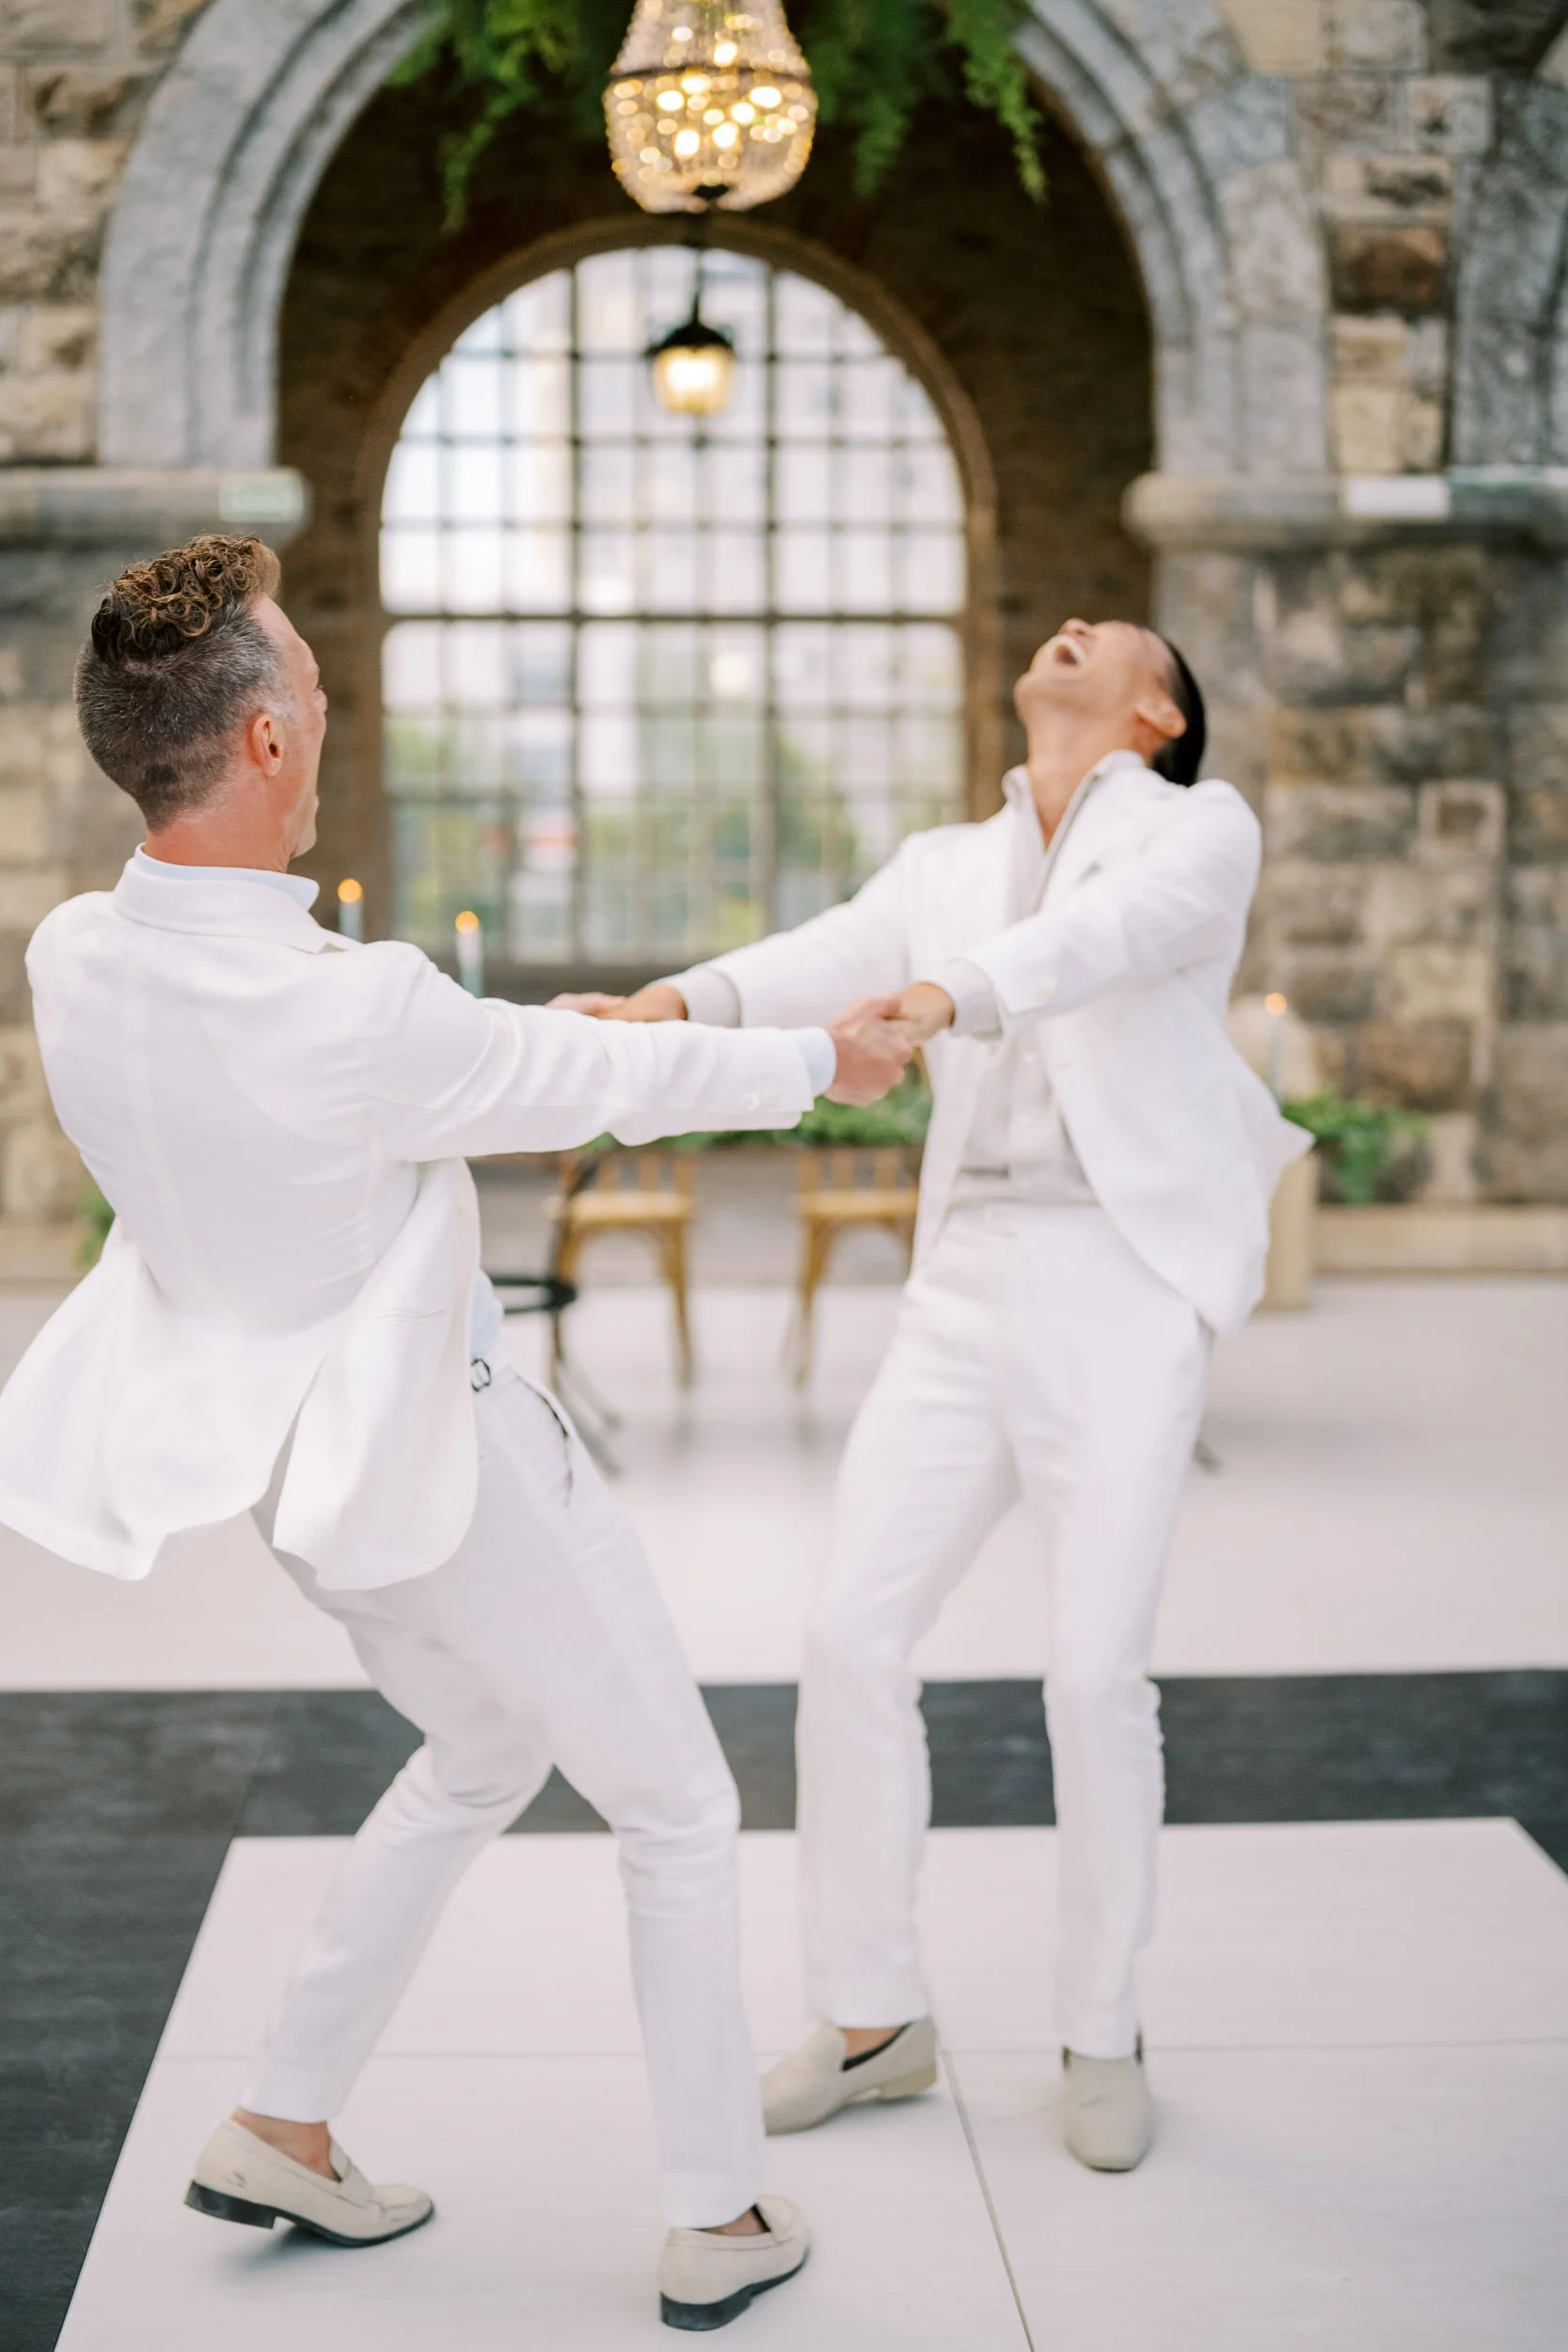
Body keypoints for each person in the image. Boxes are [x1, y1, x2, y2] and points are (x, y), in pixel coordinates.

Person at [0, 535, 913, 2330]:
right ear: (262, 743)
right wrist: (826, 1060)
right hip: (455, 1465)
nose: (324, 696)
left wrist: (489, 1049)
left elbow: (416, 1079)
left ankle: (283, 2114)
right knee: (676, 1802)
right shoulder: (356, 1011)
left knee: (483, 1755)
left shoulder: (78, 955)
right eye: (310, 678)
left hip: (300, 1490)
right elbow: (603, 1089)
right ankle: (718, 2213)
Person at [579, 617, 1310, 2172]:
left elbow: (1086, 948)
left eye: (1103, 634)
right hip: (963, 1278)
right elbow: (826, 953)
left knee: (1090, 1672)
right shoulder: (942, 858)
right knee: (847, 1634)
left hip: (1118, 1277)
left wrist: (937, 1001)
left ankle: (1100, 2026)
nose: (1069, 627)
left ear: (1155, 708)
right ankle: (869, 2019)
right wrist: (674, 1004)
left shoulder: (1199, 832)